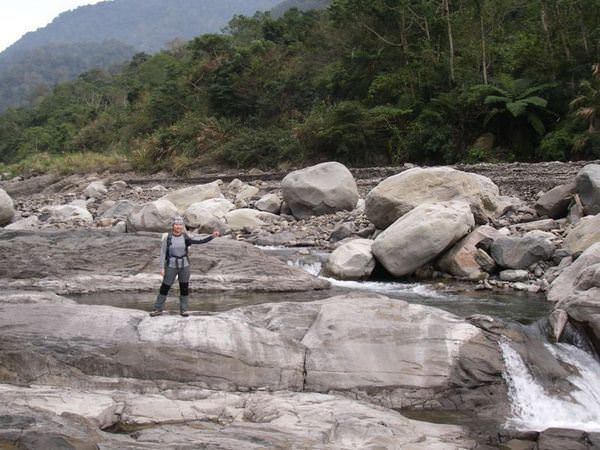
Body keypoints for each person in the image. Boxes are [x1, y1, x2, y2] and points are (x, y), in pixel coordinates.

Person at [150, 216, 220, 317]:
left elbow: (199, 241)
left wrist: (212, 236)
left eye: (180, 225)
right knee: (165, 287)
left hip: (184, 265)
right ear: (173, 226)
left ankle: (183, 310)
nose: (178, 226)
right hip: (171, 265)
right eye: (176, 225)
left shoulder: (185, 237)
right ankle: (157, 309)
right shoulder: (167, 238)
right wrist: (161, 268)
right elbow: (163, 253)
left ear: (182, 226)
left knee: (184, 287)